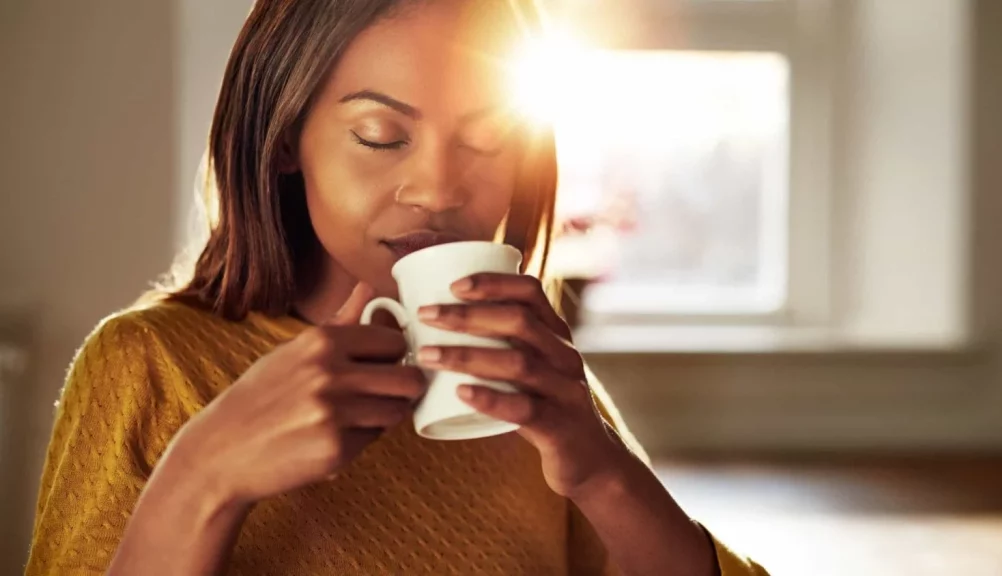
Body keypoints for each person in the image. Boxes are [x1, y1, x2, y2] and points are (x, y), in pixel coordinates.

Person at [25, 1, 768, 574]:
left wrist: (603, 470)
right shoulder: (146, 366)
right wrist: (206, 474)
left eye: (487, 140)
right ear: (284, 136)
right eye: (382, 136)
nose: (441, 189)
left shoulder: (524, 375)